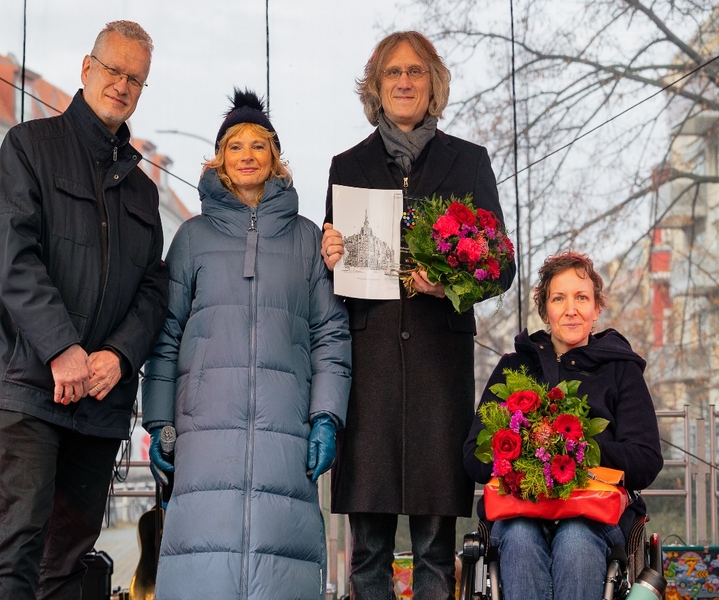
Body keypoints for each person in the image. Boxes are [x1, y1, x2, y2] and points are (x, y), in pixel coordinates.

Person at [0, 21, 169, 600]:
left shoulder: (142, 189)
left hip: (101, 400)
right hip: (32, 384)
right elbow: (12, 255)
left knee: (71, 558)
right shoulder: (29, 147)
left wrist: (119, 355)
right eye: (114, 71)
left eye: (136, 78)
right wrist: (62, 348)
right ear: (87, 70)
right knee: (19, 546)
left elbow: (153, 289)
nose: (122, 85)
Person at [321, 31, 516, 599]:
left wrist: (451, 282)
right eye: (392, 73)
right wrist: (327, 254)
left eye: (415, 71)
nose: (404, 81)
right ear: (376, 88)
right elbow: (330, 278)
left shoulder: (470, 161)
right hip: (371, 370)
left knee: (436, 549)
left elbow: (501, 266)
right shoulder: (346, 165)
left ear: (433, 84)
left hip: (438, 370)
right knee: (369, 550)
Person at [142, 89, 352, 600]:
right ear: (219, 161)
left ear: (275, 159)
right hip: (203, 434)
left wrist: (326, 416)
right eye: (236, 146)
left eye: (259, 145)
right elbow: (165, 336)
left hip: (287, 433)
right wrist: (158, 421)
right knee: (203, 570)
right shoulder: (191, 238)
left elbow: (331, 334)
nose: (247, 155)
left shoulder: (307, 239)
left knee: (280, 571)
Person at [463, 251, 664, 600]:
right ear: (545, 310)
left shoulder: (620, 370)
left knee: (575, 539)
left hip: (594, 514)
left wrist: (580, 450)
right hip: (520, 510)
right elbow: (473, 458)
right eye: (559, 298)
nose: (571, 309)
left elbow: (646, 459)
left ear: (597, 308)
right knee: (522, 537)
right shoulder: (515, 367)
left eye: (581, 297)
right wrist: (525, 447)